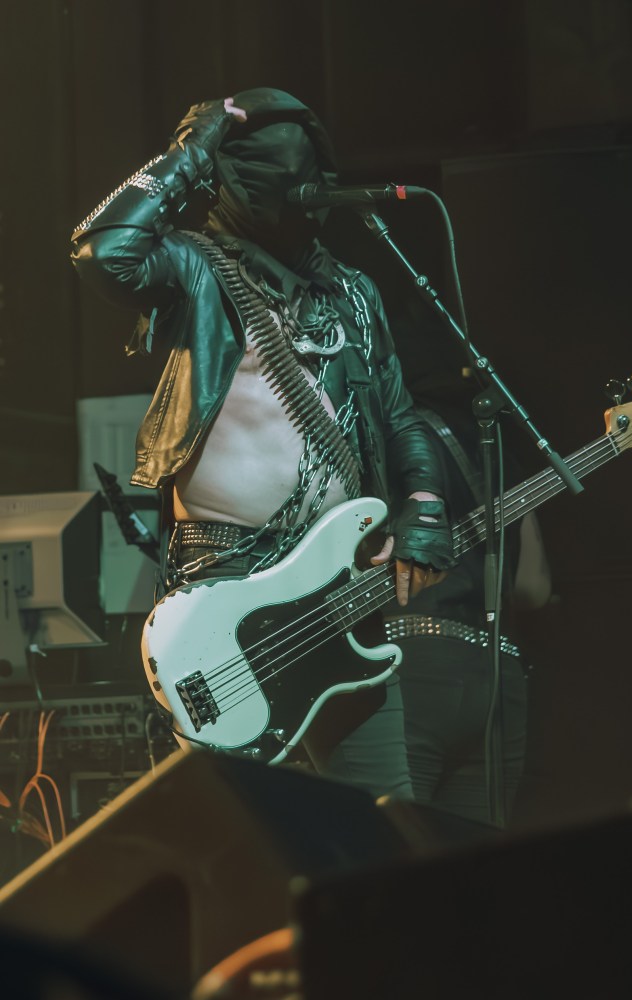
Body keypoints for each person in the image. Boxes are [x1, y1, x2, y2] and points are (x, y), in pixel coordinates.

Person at [70, 88, 454, 799]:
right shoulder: (193, 266)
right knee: (246, 829)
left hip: (339, 592)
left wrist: (424, 505)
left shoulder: (352, 292)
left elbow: (401, 418)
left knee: (386, 822)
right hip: (226, 582)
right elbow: (103, 251)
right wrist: (192, 152)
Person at [385, 373, 552, 826]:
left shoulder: (381, 435)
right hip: (497, 676)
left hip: (409, 667)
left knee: (393, 847)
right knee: (470, 857)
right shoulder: (493, 443)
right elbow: (532, 588)